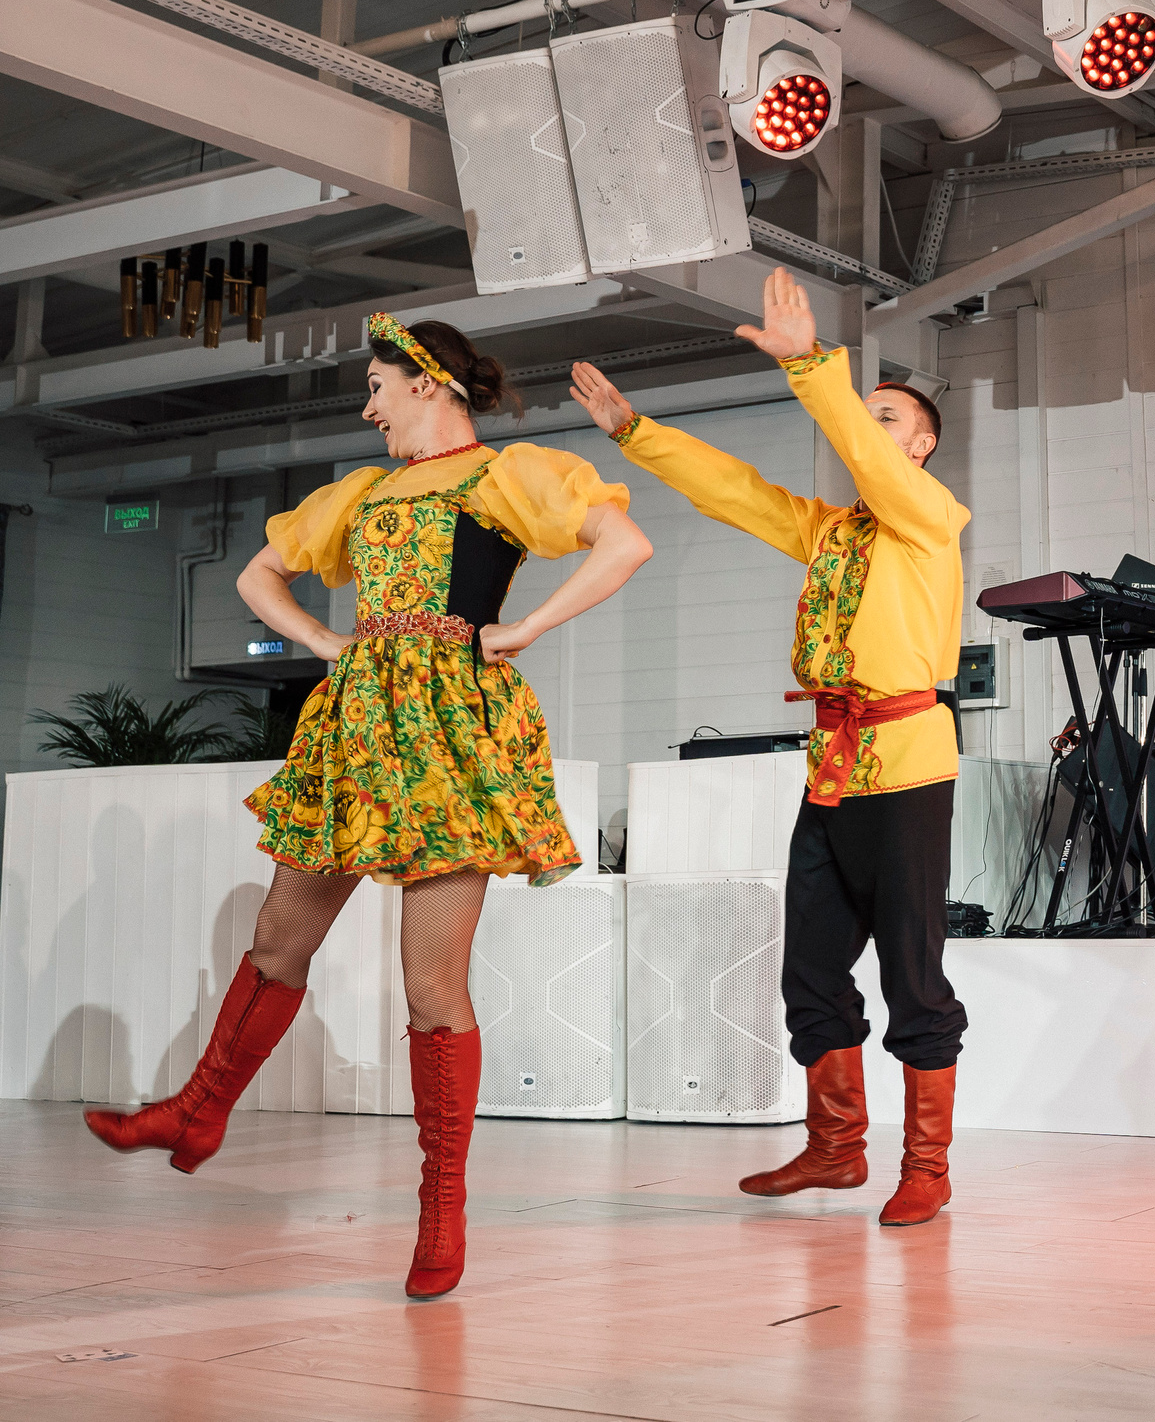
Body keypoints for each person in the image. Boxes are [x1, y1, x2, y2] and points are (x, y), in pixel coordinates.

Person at [85, 313, 653, 1301]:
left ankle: (443, 1207)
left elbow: (624, 542)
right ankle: (197, 1112)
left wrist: (523, 627)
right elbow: (260, 573)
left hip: (446, 729)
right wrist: (320, 640)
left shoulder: (507, 477)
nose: (369, 404)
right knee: (275, 942)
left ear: (427, 384)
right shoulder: (363, 492)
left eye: (378, 385)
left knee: (431, 985)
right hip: (357, 721)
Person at [569, 269, 969, 1227]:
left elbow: (871, 467)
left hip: (907, 762)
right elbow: (736, 494)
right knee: (810, 970)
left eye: (887, 418)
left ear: (918, 444)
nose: (870, 429)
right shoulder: (834, 533)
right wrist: (637, 434)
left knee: (913, 970)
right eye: (862, 413)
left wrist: (814, 367)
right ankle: (835, 1149)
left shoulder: (928, 518)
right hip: (832, 769)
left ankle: (928, 1165)